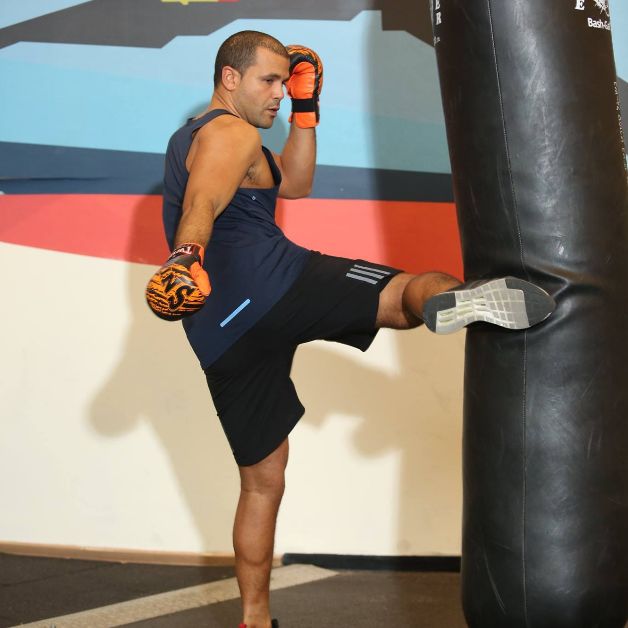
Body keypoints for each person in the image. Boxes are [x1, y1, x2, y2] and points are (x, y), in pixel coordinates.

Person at [145, 30, 555, 628]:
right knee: (401, 294)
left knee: (261, 482)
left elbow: (295, 183)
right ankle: (455, 299)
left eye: (285, 83)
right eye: (269, 81)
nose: (279, 93)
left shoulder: (197, 137)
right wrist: (186, 255)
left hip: (220, 332)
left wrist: (306, 114)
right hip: (275, 283)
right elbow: (202, 203)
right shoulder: (231, 133)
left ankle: (254, 619)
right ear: (229, 79)